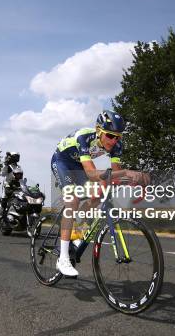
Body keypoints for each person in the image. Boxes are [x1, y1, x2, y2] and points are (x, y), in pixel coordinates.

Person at [51, 110, 149, 277]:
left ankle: (79, 227)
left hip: (79, 166)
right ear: (98, 131)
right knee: (73, 200)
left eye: (118, 137)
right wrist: (126, 173)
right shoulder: (85, 138)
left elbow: (116, 173)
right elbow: (91, 173)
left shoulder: (116, 146)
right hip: (62, 162)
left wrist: (136, 180)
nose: (114, 140)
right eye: (110, 136)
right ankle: (63, 258)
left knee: (99, 191)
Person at [0, 152, 23, 219]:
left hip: (17, 184)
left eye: (17, 156)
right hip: (8, 184)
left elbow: (21, 177)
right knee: (4, 199)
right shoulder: (8, 166)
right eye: (16, 156)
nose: (17, 158)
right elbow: (3, 174)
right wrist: (6, 164)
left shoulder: (18, 166)